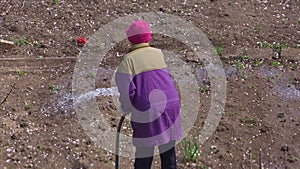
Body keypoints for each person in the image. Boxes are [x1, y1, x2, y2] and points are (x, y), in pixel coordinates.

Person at [115, 19, 182, 169]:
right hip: (171, 106)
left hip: (148, 111)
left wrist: (126, 108)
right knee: (169, 156)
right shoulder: (158, 54)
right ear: (148, 37)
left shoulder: (127, 61)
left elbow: (128, 93)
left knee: (144, 155)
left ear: (130, 39)